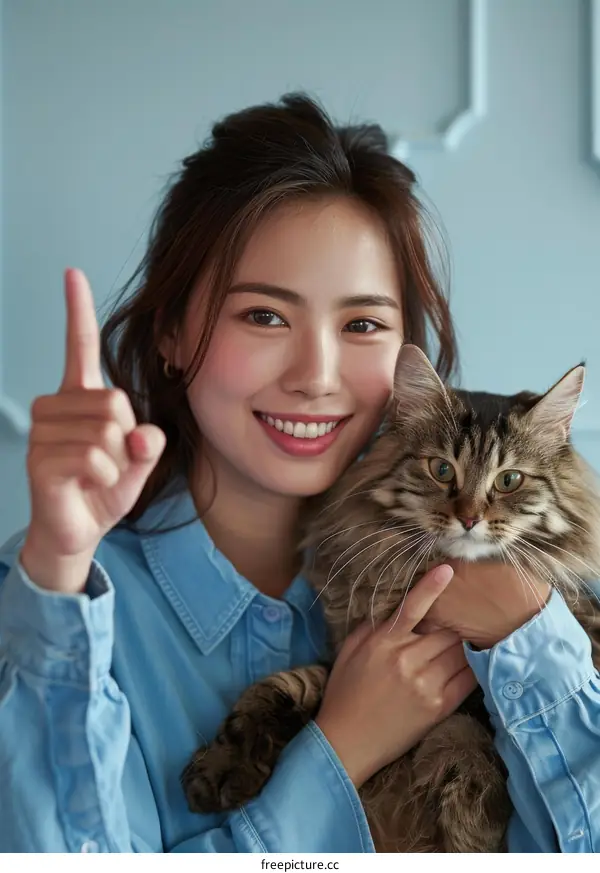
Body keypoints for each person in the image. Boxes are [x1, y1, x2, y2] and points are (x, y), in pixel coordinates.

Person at [0, 94, 598, 854]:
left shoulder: (543, 601)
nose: (318, 376)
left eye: (362, 325)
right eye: (265, 316)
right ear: (173, 333)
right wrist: (340, 752)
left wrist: (527, 634)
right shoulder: (58, 615)